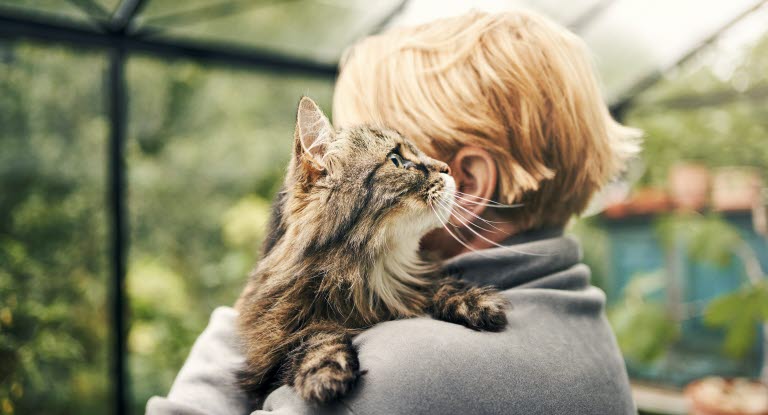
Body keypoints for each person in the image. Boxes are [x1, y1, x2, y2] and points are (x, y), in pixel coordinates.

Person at [147, 9, 640, 415]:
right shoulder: (587, 324)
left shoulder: (397, 374)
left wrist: (257, 303)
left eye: (401, 151)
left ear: (464, 184)